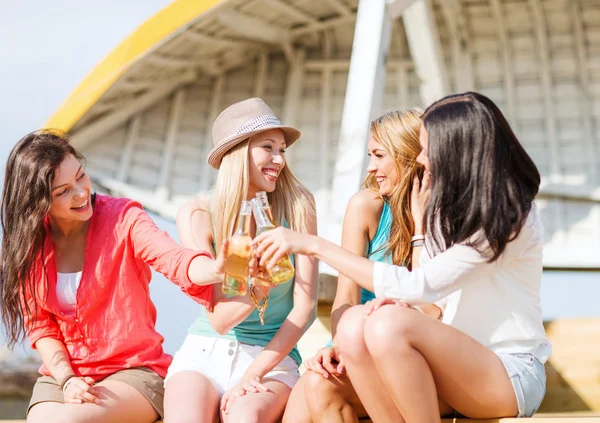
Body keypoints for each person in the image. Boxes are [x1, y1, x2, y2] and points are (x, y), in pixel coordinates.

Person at [254, 92, 550, 421]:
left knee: (386, 323)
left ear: (454, 148)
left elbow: (419, 289)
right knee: (337, 355)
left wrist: (313, 245)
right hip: (449, 370)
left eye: (426, 149)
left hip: (507, 374)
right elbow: (425, 300)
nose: (421, 159)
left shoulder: (508, 216)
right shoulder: (437, 211)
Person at [0, 130, 218, 423]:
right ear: (38, 202)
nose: (80, 193)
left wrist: (215, 268)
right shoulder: (30, 244)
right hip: (63, 375)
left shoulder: (124, 218)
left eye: (81, 176)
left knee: (68, 422)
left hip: (133, 371)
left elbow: (174, 260)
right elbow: (41, 327)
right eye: (62, 191)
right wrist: (66, 379)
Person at [282, 109, 444, 423]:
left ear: (410, 154)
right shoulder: (365, 206)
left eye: (380, 155)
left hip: (410, 353)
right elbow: (346, 297)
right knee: (312, 388)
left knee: (319, 388)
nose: (372, 167)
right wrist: (340, 347)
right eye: (371, 155)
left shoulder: (443, 214)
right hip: (354, 342)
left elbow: (438, 310)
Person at [163, 98, 318, 423]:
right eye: (267, 148)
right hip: (204, 352)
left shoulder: (299, 205)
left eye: (282, 149)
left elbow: (306, 308)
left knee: (245, 418)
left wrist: (253, 374)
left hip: (272, 359)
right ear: (236, 153)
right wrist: (260, 285)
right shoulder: (197, 214)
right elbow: (220, 319)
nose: (279, 159)